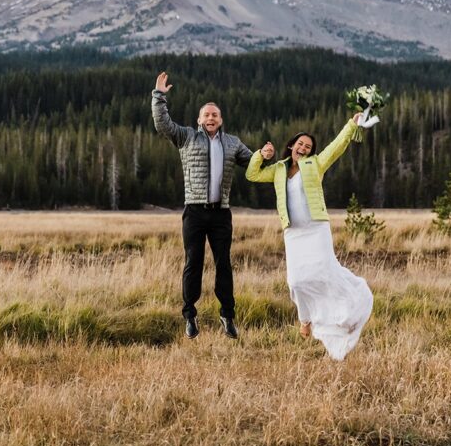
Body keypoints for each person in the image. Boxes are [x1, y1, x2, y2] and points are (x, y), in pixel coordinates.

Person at [246, 113, 375, 360]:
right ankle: (305, 319)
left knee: (326, 273)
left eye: (308, 146)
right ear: (291, 146)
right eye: (300, 144)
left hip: (316, 229)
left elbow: (336, 147)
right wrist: (260, 156)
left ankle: (347, 312)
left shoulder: (315, 164)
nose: (303, 148)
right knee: (296, 281)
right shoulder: (278, 170)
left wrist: (351, 125)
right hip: (293, 233)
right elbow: (252, 175)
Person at [152, 71, 253, 340]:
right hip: (194, 213)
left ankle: (227, 315)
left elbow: (253, 164)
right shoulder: (186, 137)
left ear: (221, 120)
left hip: (221, 213)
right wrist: (159, 96)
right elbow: (163, 125)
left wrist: (266, 156)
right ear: (199, 120)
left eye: (215, 115)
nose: (211, 118)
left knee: (224, 264)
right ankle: (190, 315)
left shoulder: (233, 143)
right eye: (206, 115)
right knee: (193, 262)